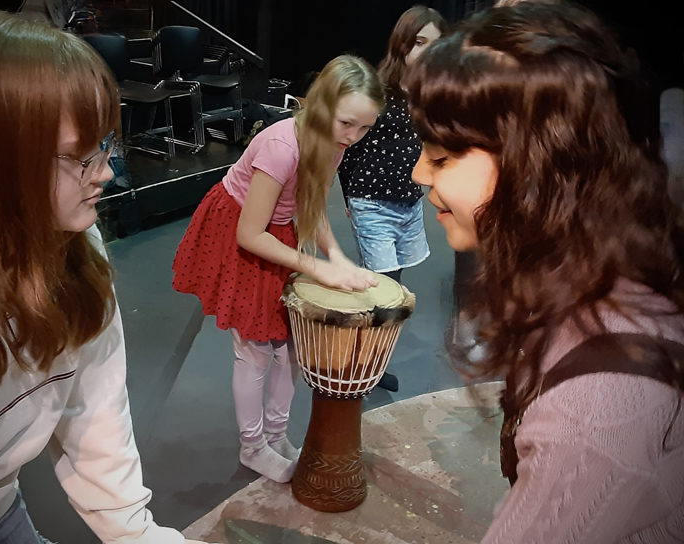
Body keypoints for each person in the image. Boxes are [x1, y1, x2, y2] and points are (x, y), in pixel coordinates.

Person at [0, 11, 205, 544]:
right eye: (80, 156)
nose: (105, 171)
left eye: (105, 145)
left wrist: (140, 536)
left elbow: (96, 411)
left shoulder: (76, 244)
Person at [408, 2, 684, 541]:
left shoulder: (597, 413)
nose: (420, 172)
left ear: (535, 165)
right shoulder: (596, 273)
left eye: (442, 158)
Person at [172, 55, 383, 483]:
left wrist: (336, 258)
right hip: (243, 231)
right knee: (253, 351)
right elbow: (250, 234)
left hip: (278, 231)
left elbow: (312, 205)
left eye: (365, 128)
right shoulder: (282, 146)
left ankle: (276, 434)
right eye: (347, 124)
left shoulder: (335, 143)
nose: (354, 137)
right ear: (321, 105)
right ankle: (252, 446)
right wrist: (317, 268)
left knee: (288, 347)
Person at [337, 5, 447, 393]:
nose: (427, 53)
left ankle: (370, 359)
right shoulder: (378, 90)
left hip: (409, 202)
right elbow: (347, 147)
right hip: (372, 201)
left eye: (435, 45)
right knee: (382, 287)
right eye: (419, 43)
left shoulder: (431, 94)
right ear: (402, 44)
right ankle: (362, 364)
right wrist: (350, 195)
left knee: (395, 287)